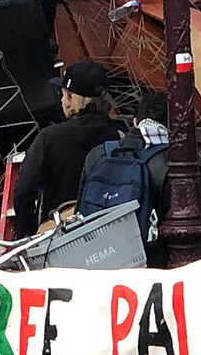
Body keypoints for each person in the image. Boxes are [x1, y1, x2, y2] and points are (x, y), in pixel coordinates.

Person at [13, 60, 122, 236]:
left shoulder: (49, 138)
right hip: (107, 229)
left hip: (60, 231)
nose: (62, 100)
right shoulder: (118, 136)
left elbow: (24, 192)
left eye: (64, 94)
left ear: (73, 98)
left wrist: (28, 235)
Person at [78, 91, 169, 266]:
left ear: (136, 122)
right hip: (150, 266)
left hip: (97, 261)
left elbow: (80, 212)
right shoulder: (171, 161)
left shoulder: (99, 154)